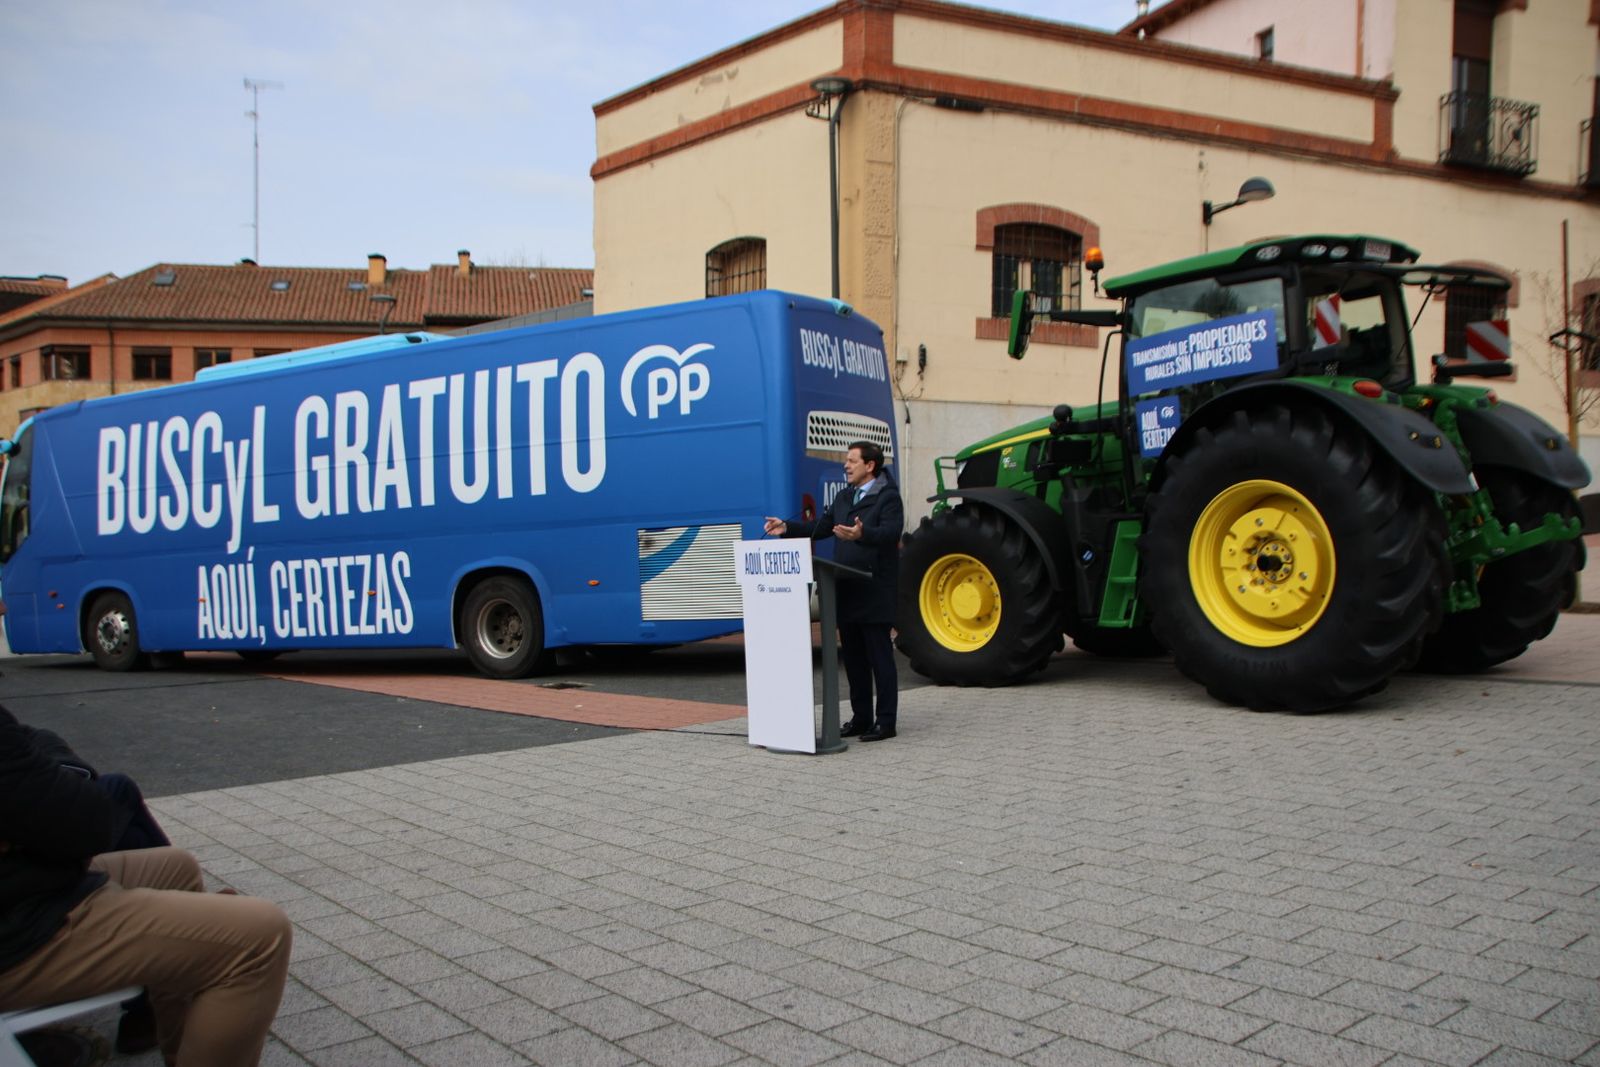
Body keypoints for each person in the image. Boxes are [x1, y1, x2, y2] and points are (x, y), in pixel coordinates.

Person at [0, 703, 292, 1067]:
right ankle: (209, 965)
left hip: (26, 888)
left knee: (175, 868)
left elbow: (37, 749)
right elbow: (89, 824)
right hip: (21, 926)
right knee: (260, 935)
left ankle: (167, 1037)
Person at [765, 440, 903, 741]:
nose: (846, 465)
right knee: (853, 659)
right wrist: (786, 529)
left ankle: (886, 721)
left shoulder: (888, 498)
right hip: (846, 588)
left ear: (870, 465)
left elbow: (892, 532)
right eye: (846, 460)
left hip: (874, 588)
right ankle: (862, 718)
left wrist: (862, 533)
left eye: (852, 461)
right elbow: (821, 528)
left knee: (879, 658)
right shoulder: (844, 497)